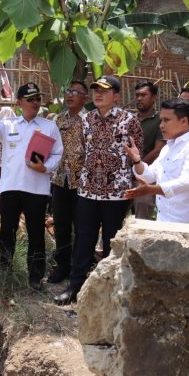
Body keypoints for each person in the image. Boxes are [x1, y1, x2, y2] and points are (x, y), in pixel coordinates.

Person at [54, 75, 143, 305]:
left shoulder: (129, 120)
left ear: (116, 95)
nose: (98, 94)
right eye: (95, 90)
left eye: (104, 90)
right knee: (84, 239)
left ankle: (107, 291)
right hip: (88, 191)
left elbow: (137, 154)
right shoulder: (87, 120)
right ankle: (75, 288)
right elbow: (83, 150)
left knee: (111, 241)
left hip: (116, 192)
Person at [0, 82, 63, 290]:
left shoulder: (49, 126)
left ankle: (35, 277)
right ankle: (4, 271)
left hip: (37, 188)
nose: (35, 103)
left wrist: (46, 167)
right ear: (19, 103)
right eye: (30, 99)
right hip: (11, 187)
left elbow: (58, 154)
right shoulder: (8, 125)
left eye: (38, 99)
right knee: (8, 230)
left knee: (36, 233)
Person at [124, 99, 189, 224]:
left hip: (186, 224)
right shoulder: (168, 147)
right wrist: (137, 160)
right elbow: (149, 175)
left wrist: (150, 190)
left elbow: (186, 181)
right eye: (161, 120)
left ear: (184, 121)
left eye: (166, 120)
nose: (161, 125)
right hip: (163, 220)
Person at [49, 81, 88, 284]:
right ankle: (62, 266)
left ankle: (78, 269)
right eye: (69, 91)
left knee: (81, 227)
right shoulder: (57, 119)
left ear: (85, 98)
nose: (70, 95)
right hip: (59, 180)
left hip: (81, 182)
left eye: (76, 92)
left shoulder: (89, 120)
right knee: (61, 225)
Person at [133, 81, 165, 219]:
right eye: (137, 95)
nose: (139, 98)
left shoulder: (160, 121)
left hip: (147, 176)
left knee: (142, 213)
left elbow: (158, 150)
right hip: (123, 175)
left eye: (143, 95)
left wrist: (137, 166)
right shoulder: (130, 120)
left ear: (153, 98)